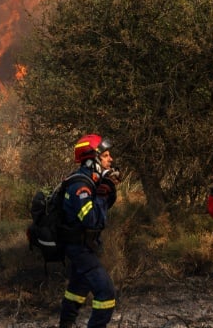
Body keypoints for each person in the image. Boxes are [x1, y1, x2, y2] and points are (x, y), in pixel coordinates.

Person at [58, 134, 120, 328]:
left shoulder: (91, 181)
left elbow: (102, 212)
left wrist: (108, 188)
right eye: (106, 156)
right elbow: (92, 220)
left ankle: (65, 324)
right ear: (92, 160)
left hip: (85, 246)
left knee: (78, 288)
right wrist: (101, 194)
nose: (111, 159)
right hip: (79, 248)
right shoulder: (80, 186)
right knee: (106, 293)